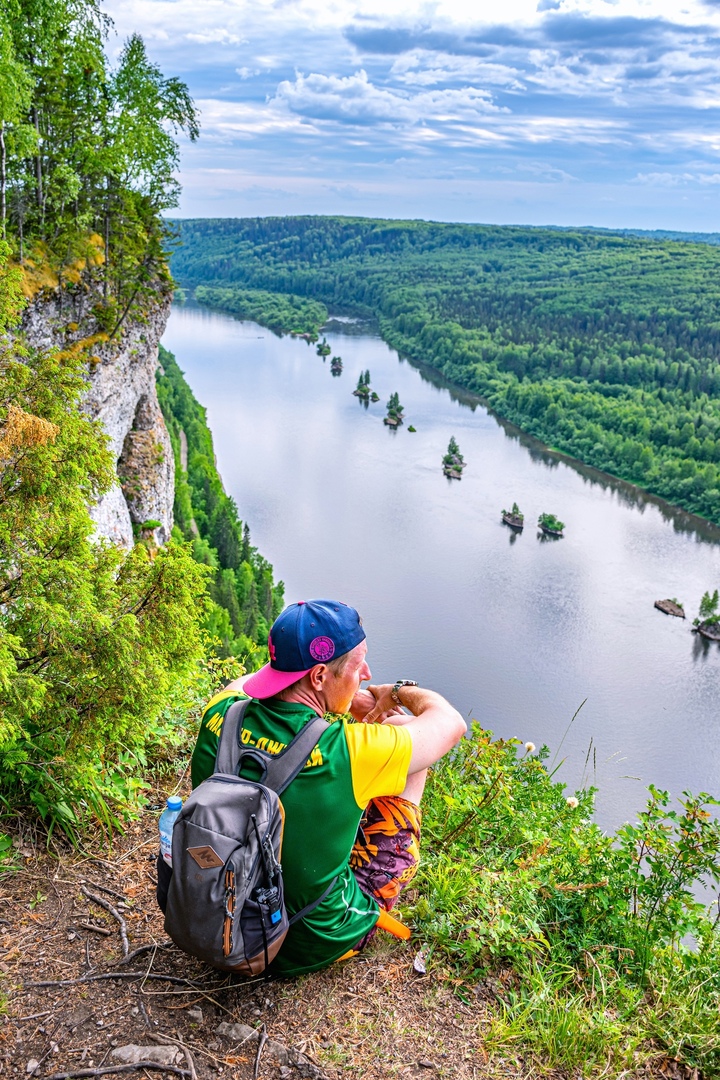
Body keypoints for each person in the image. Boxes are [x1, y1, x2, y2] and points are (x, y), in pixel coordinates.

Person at [191, 598, 465, 976]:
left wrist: (334, 692)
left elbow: (250, 682)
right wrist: (397, 693)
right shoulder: (348, 751)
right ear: (318, 677)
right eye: (358, 665)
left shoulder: (221, 711)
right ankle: (364, 895)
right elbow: (450, 723)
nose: (366, 673)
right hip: (304, 943)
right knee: (405, 743)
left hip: (214, 917)